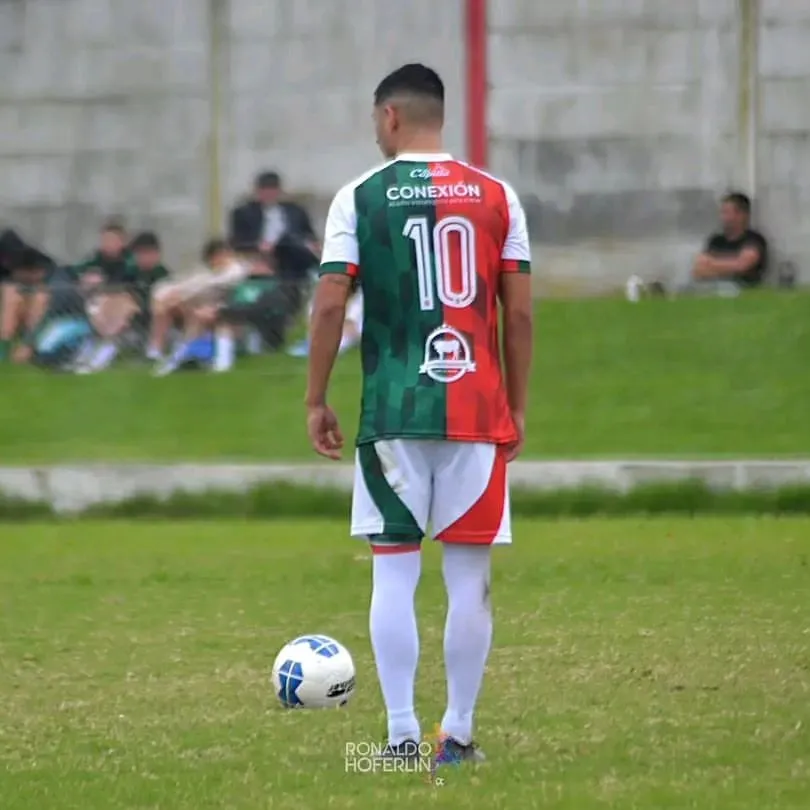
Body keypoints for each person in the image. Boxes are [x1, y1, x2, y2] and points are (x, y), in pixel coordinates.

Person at [305, 64, 533, 765]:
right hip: (475, 410)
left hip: (393, 413)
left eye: (377, 120)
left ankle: (402, 735)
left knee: (394, 573)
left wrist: (316, 396)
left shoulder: (360, 198)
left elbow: (330, 300)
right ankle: (456, 734)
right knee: (469, 579)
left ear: (391, 117)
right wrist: (516, 405)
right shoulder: (498, 196)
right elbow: (518, 310)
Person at [151, 238, 250, 375]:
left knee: (200, 312)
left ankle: (183, 356)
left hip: (233, 313)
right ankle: (171, 353)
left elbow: (216, 284)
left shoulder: (236, 270)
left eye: (222, 254)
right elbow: (180, 286)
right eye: (215, 256)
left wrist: (184, 294)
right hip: (207, 311)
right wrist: (175, 295)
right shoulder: (206, 274)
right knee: (192, 311)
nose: (219, 259)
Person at [688, 192, 768, 293]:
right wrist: (729, 267)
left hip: (744, 293)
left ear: (742, 215)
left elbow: (743, 265)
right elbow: (698, 271)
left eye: (727, 212)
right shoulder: (716, 241)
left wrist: (711, 263)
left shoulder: (754, 239)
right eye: (722, 212)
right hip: (714, 292)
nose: (723, 217)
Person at [0, 243, 53, 363]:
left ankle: (27, 345)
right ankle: (3, 347)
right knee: (11, 294)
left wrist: (28, 343)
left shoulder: (51, 284)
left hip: (46, 325)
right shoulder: (12, 283)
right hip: (17, 320)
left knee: (40, 297)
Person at [287, 287, 363, 358]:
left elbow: (351, 327)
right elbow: (311, 320)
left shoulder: (358, 300)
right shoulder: (320, 296)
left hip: (344, 335)